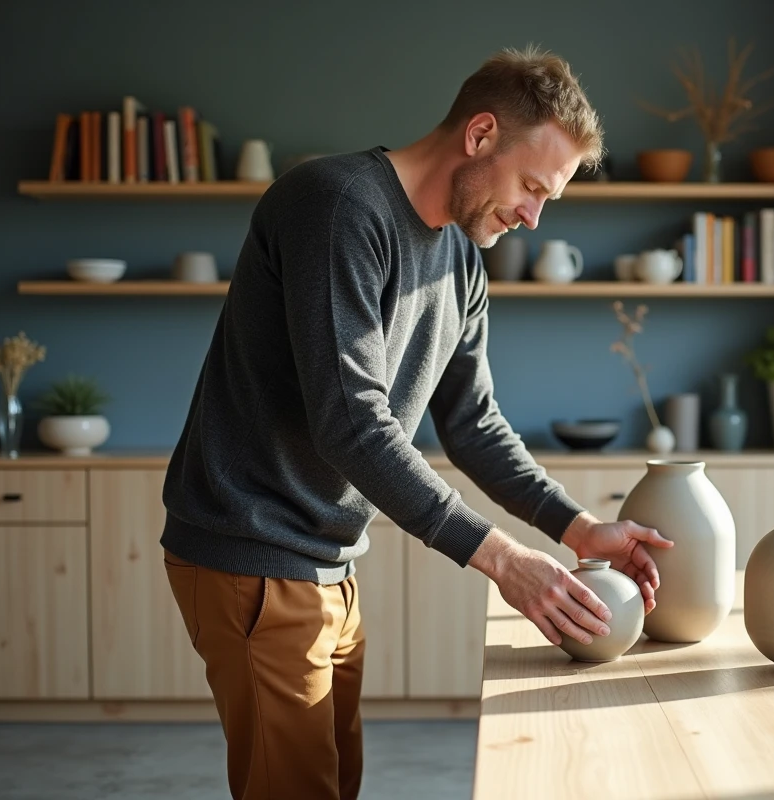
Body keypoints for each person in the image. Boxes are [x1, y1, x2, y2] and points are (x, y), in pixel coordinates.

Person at [158, 45, 673, 800]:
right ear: (480, 135)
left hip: (325, 560)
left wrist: (576, 528)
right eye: (531, 185)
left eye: (548, 200)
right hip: (252, 549)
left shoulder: (462, 263)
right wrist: (502, 558)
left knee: (333, 782)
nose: (532, 216)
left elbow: (474, 424)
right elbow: (351, 422)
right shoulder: (336, 206)